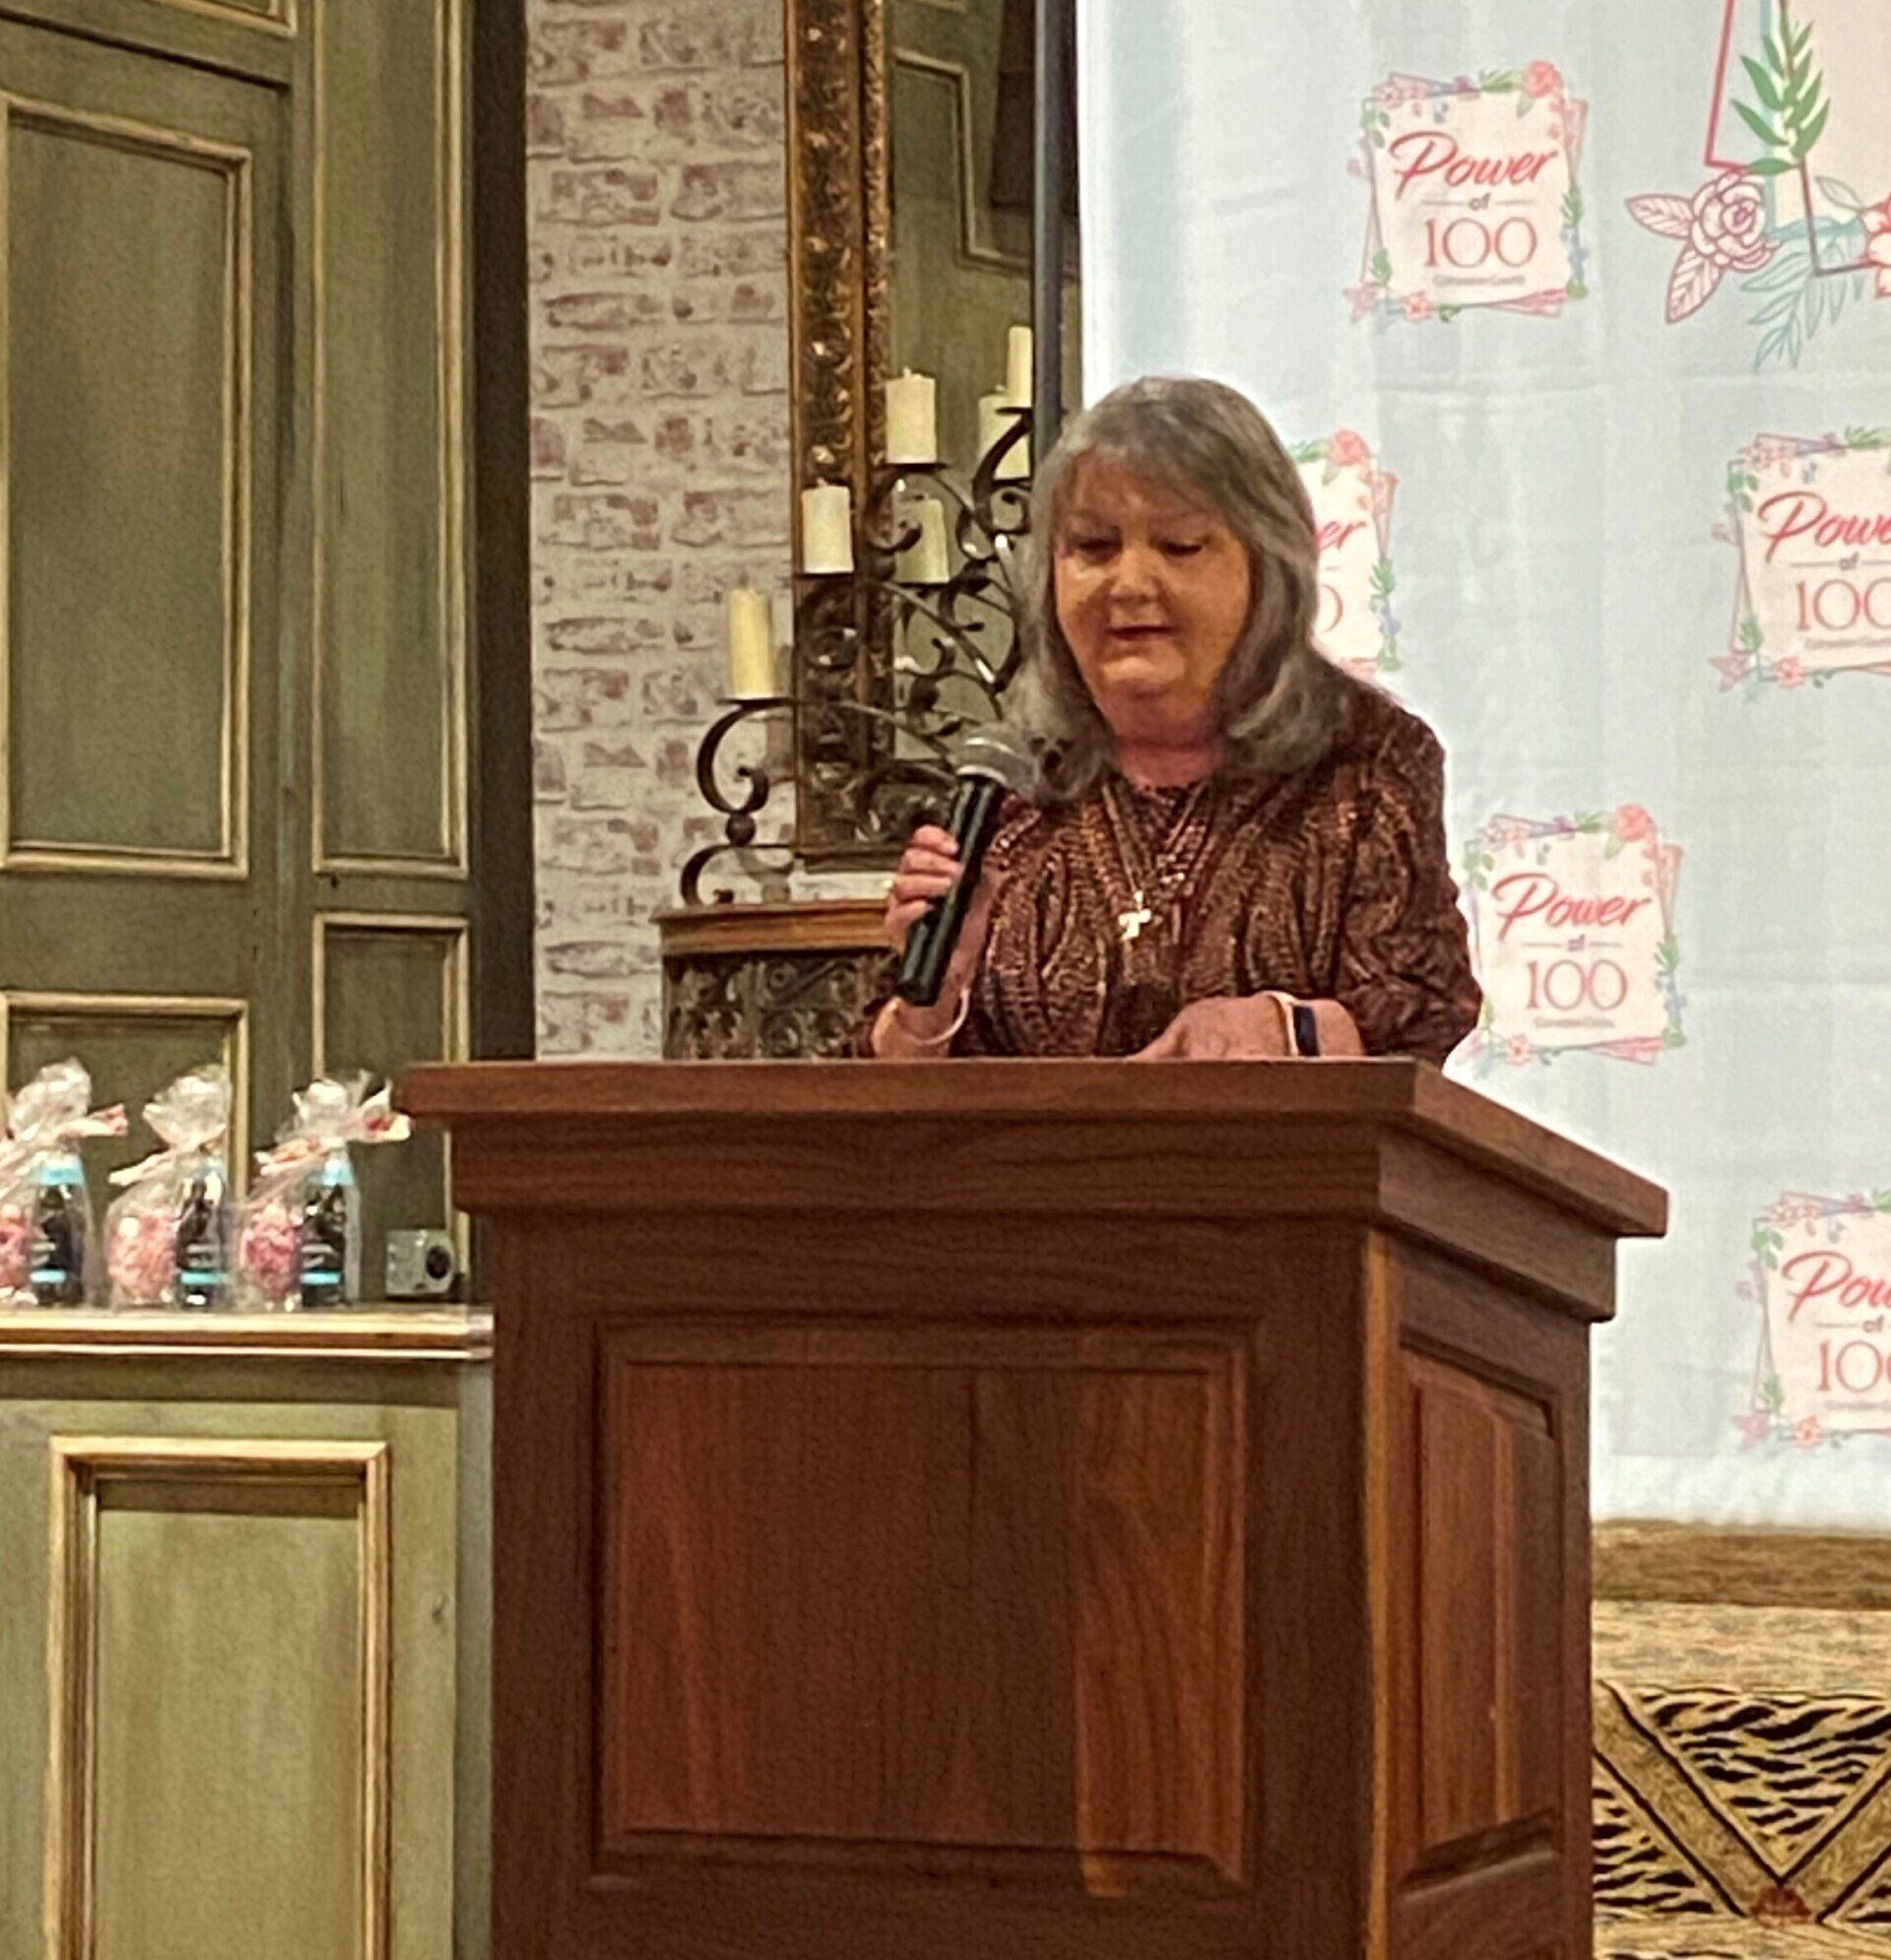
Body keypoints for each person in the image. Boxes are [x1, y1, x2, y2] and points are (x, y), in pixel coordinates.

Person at [867, 374, 1481, 1063]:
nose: (1129, 584)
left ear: (1266, 568)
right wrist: (932, 1002)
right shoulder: (1007, 787)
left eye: (1180, 546)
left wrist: (1283, 1029)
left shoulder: (1365, 762)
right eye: (1094, 548)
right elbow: (879, 1084)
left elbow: (1420, 1007)